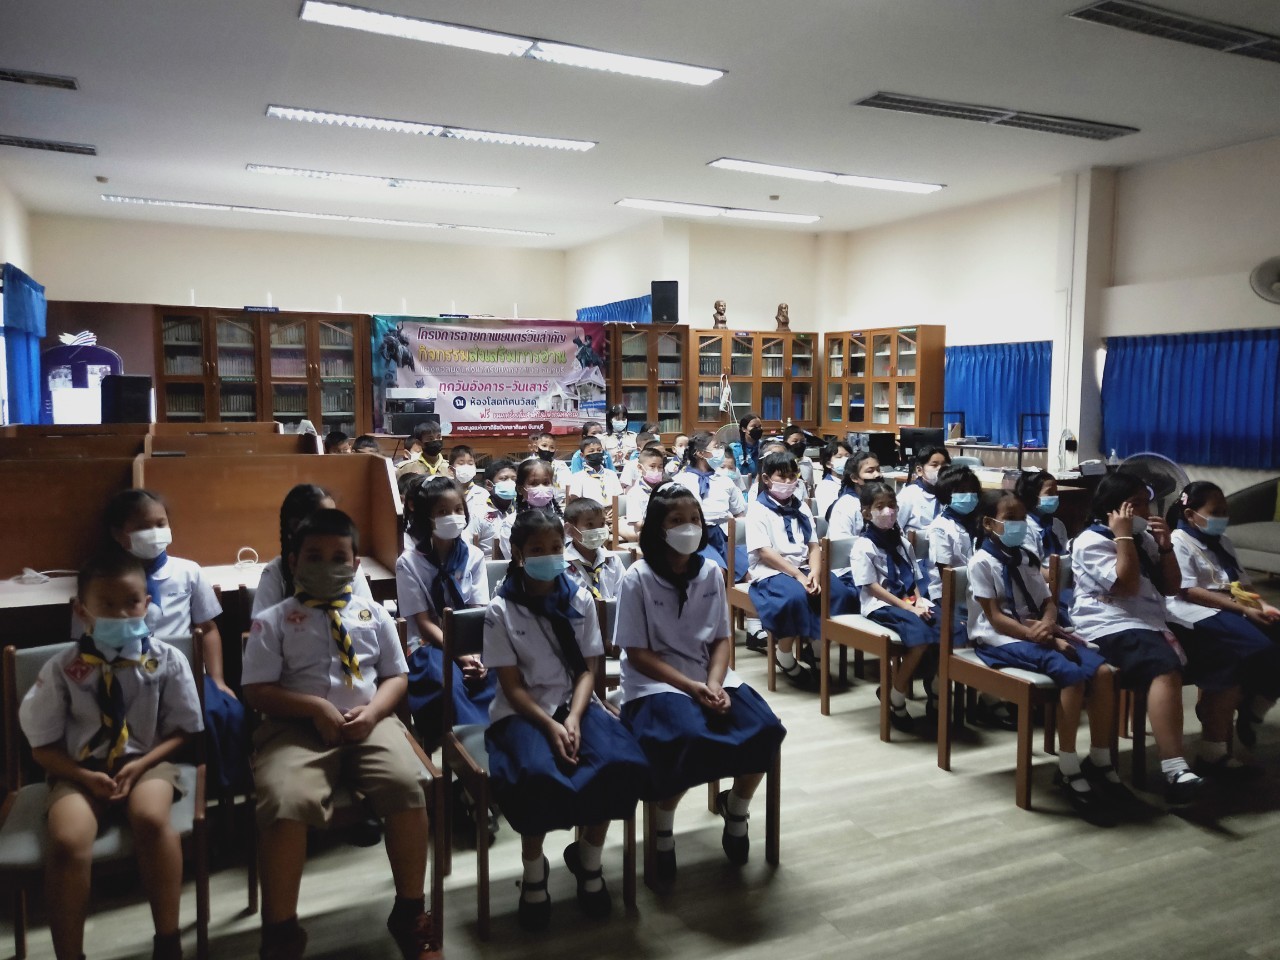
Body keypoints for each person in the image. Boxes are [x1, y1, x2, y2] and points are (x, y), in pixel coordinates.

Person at [243, 509, 438, 960]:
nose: (327, 566)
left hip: (371, 721)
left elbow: (395, 676)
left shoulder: (373, 614)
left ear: (355, 564)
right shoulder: (273, 620)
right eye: (314, 556)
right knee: (285, 801)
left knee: (407, 785)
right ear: (294, 562)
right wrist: (315, 708)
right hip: (295, 729)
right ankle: (281, 932)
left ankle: (410, 913)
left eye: (338, 557)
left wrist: (373, 713)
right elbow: (256, 690)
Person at [19, 550, 203, 960]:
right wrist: (83, 777)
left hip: (148, 761)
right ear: (81, 609)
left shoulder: (166, 659)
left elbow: (184, 731)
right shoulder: (62, 669)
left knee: (151, 818)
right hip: (78, 770)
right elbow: (42, 747)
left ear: (147, 604)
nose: (121, 613)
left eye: (132, 602)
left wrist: (141, 766)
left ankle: (168, 942)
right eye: (106, 604)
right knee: (67, 840)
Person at [482, 510, 651, 931]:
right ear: (518, 554)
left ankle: (588, 858)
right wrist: (551, 725)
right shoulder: (501, 609)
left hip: (575, 704)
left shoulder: (579, 598)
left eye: (556, 547)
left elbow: (587, 671)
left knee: (620, 763)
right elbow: (512, 687)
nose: (549, 556)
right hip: (523, 712)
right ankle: (533, 868)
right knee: (536, 774)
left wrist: (574, 716)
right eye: (537, 549)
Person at [616, 484, 786, 883]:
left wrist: (714, 683)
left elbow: (721, 638)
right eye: (676, 520)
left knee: (765, 730)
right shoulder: (637, 577)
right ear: (658, 528)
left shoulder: (710, 571)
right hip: (654, 683)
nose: (688, 527)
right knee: (686, 738)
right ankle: (662, 827)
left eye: (694, 519)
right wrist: (693, 689)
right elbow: (637, 653)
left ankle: (736, 809)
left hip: (709, 674)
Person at [967, 494, 1119, 825]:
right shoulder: (981, 562)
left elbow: (1048, 601)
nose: (1019, 525)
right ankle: (1068, 766)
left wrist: (1049, 624)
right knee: (1072, 676)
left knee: (1104, 672)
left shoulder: (1025, 558)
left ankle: (1100, 757)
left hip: (1040, 632)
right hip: (1000, 639)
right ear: (989, 523)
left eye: (1022, 518)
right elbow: (995, 618)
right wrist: (1044, 638)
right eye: (1010, 518)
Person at [1069, 471, 1220, 803]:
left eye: (1145, 503)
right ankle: (1175, 770)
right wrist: (1123, 536)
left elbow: (1171, 587)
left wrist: (1165, 548)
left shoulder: (1144, 539)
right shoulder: (1090, 541)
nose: (1144, 511)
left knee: (1218, 648)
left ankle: (1216, 749)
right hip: (1108, 625)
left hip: (1150, 619)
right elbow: (1126, 585)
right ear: (1112, 508)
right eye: (1135, 504)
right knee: (1163, 665)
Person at [103, 490, 244, 794]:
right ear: (118, 534)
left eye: (160, 523)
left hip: (186, 673)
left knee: (224, 711)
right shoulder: (106, 579)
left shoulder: (187, 571)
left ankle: (220, 789)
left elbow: (208, 628)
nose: (154, 532)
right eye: (142, 527)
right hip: (129, 674)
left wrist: (218, 679)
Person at [1165, 481, 1280, 750]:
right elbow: (1189, 591)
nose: (1223, 518)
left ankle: (1254, 708)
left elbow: (1243, 583)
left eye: (1225, 511)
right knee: (1257, 647)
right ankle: (1226, 708)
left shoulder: (1222, 542)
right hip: (1197, 611)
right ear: (1190, 514)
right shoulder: (1178, 541)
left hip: (1232, 606)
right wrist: (1245, 610)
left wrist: (1263, 606)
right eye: (1215, 512)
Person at [396, 477, 495, 732]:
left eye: (458, 509)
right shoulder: (409, 562)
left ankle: (499, 731)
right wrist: (459, 654)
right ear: (426, 517)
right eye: (442, 512)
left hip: (471, 640)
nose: (452, 516)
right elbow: (424, 623)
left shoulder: (473, 556)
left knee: (500, 670)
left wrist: (473, 654)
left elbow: (477, 611)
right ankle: (465, 739)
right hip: (428, 643)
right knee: (445, 679)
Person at [850, 482, 947, 731]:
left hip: (907, 601)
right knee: (919, 637)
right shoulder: (863, 545)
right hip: (879, 604)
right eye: (880, 506)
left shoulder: (902, 542)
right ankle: (896, 694)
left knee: (947, 628)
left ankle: (936, 687)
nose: (888, 511)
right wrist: (908, 608)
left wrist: (918, 601)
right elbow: (872, 587)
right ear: (866, 512)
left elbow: (911, 579)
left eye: (892, 505)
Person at [746, 451, 821, 688]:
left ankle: (816, 649)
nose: (788, 482)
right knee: (796, 597)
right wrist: (798, 575)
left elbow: (814, 545)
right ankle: (784, 654)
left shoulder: (801, 507)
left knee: (835, 591)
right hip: (770, 570)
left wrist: (815, 573)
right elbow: (764, 552)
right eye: (782, 477)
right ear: (767, 479)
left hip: (803, 567)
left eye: (792, 476)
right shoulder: (758, 509)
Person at [253, 484, 375, 616]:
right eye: (325, 520)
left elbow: (368, 617)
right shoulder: (276, 573)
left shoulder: (347, 567)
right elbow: (262, 625)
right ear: (296, 526)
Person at [673, 432, 748, 576]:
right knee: (717, 572)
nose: (720, 451)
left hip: (723, 536)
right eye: (716, 447)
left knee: (749, 572)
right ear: (700, 453)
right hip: (695, 537)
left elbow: (739, 513)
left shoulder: (725, 481)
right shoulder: (680, 481)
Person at [924, 465, 983, 606]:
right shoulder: (940, 528)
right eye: (962, 491)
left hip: (977, 588)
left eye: (972, 491)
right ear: (947, 494)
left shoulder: (977, 522)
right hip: (950, 593)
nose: (969, 495)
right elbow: (946, 573)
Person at [564, 498, 626, 600]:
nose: (598, 530)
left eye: (602, 524)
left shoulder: (613, 560)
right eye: (590, 524)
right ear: (569, 529)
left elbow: (623, 596)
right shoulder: (562, 566)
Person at [896, 445, 952, 534]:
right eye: (934, 465)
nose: (941, 469)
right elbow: (896, 527)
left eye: (944, 465)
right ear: (920, 470)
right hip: (916, 541)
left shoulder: (952, 493)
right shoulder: (909, 495)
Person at [566, 435, 623, 516]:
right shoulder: (578, 477)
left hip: (613, 513)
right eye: (591, 451)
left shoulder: (611, 474)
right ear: (582, 455)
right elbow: (576, 502)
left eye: (599, 450)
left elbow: (619, 496)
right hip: (590, 516)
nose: (596, 453)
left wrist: (615, 510)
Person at [623, 446, 668, 538]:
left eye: (660, 467)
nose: (657, 471)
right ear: (640, 468)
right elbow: (638, 524)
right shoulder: (634, 493)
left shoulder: (665, 489)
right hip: (646, 532)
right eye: (652, 466)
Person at [479, 458, 518, 559]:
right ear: (489, 485)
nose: (510, 483)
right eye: (504, 479)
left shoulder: (521, 512)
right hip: (487, 564)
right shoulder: (478, 513)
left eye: (514, 479)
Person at [526, 431, 572, 506]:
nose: (547, 449)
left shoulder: (560, 465)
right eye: (544, 445)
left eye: (552, 447)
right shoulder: (528, 464)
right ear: (536, 448)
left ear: (555, 450)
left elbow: (567, 485)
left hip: (558, 504)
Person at [814, 440, 854, 519]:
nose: (845, 460)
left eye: (847, 456)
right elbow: (829, 516)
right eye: (839, 457)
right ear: (829, 464)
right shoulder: (825, 486)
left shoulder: (853, 483)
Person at [728, 412, 764, 487]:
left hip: (758, 487)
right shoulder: (734, 449)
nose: (758, 429)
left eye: (759, 426)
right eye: (754, 426)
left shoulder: (763, 447)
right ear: (744, 429)